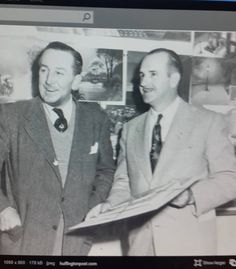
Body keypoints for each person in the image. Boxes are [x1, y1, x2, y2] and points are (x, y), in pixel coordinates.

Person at [87, 48, 236, 255]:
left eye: (153, 74)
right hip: (140, 243)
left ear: (173, 79)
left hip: (189, 244)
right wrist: (110, 204)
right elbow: (124, 182)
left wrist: (191, 195)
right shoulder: (130, 129)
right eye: (142, 75)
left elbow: (230, 179)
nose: (144, 83)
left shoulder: (209, 121)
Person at [0, 41, 115, 255]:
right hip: (25, 240)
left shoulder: (96, 119)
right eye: (44, 70)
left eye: (59, 73)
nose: (49, 80)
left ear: (76, 81)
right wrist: (3, 208)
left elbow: (105, 170)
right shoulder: (10, 116)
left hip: (76, 242)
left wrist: (93, 205)